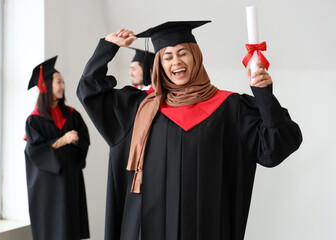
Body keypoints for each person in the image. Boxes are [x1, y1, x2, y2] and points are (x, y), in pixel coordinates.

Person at [77, 21, 302, 240]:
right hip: (145, 228)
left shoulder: (230, 107)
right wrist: (108, 46)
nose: (176, 61)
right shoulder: (138, 107)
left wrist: (263, 94)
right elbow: (90, 91)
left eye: (183, 53)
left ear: (196, 56)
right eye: (167, 56)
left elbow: (276, 146)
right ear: (159, 64)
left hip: (206, 227)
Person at [25, 56, 90, 240]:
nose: (62, 85)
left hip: (70, 179)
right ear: (45, 86)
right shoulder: (34, 119)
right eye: (58, 81)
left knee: (70, 227)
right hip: (47, 184)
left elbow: (84, 141)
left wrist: (76, 140)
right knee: (52, 229)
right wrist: (64, 140)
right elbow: (35, 150)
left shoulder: (72, 115)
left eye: (63, 81)